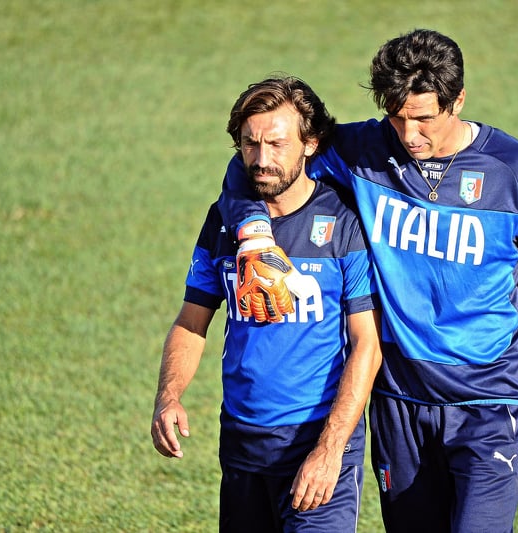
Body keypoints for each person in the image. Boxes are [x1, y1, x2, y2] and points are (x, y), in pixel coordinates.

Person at [222, 29, 518, 532]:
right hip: (400, 402)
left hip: (490, 402)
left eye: (424, 118)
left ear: (457, 100)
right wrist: (253, 231)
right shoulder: (364, 150)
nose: (409, 134)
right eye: (397, 116)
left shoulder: (515, 169)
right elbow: (263, 164)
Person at [150, 76, 382, 533]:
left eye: (276, 144)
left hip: (316, 438)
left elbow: (367, 345)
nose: (261, 160)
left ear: (310, 144)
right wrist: (168, 395)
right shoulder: (223, 222)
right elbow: (192, 320)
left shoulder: (344, 222)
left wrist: (330, 448)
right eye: (250, 145)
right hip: (242, 443)